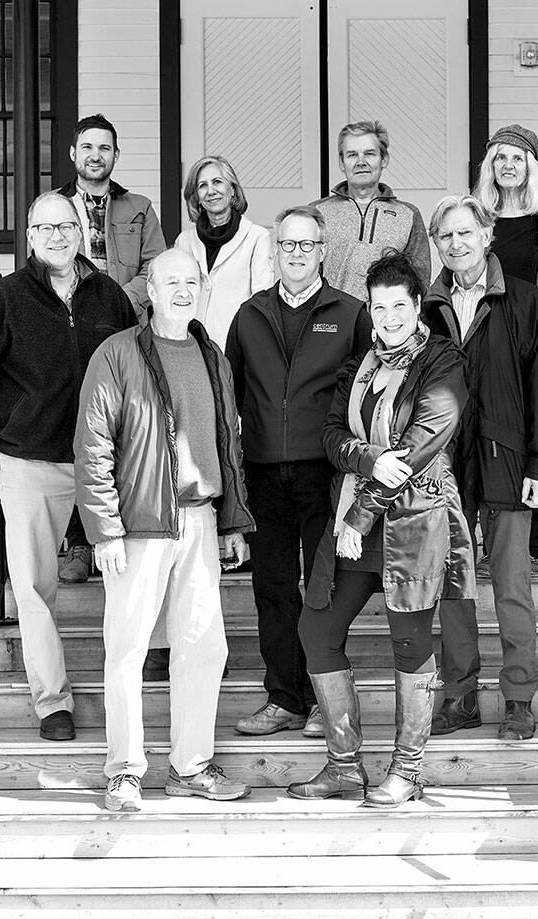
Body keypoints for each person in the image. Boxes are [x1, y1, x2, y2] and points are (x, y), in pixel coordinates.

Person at [0, 192, 136, 742]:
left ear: (82, 229)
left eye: (66, 225)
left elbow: (137, 367)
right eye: (45, 227)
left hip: (105, 461)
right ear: (30, 236)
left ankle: (134, 684)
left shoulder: (110, 297)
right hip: (29, 461)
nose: (57, 236)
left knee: (131, 579)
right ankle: (52, 702)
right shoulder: (5, 298)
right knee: (35, 589)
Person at [288, 249, 473, 808]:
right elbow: (329, 435)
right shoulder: (359, 366)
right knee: (316, 630)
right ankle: (344, 767)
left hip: (414, 519)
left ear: (418, 306)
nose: (389, 316)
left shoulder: (444, 362)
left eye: (399, 305)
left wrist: (363, 510)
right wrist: (366, 460)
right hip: (353, 519)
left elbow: (421, 444)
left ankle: (407, 771)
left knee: (410, 643)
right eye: (379, 306)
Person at [75, 248, 256, 811]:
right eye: (170, 281)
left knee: (203, 646)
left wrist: (231, 521)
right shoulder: (118, 353)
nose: (182, 289)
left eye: (191, 280)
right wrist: (103, 530)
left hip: (200, 520)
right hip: (139, 525)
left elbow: (227, 444)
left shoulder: (212, 355)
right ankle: (125, 772)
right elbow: (93, 443)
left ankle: (190, 766)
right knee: (127, 648)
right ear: (148, 291)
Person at [224, 206, 372, 737]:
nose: (296, 253)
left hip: (325, 473)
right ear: (275, 251)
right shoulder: (249, 315)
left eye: (306, 245)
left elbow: (368, 395)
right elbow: (230, 398)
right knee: (273, 588)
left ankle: (319, 699)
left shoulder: (351, 313)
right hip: (264, 472)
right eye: (287, 244)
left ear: (323, 251)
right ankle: (282, 697)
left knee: (322, 589)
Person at [421, 195, 538, 742]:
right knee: (452, 587)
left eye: (465, 233)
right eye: (445, 237)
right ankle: (459, 696)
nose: (456, 244)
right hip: (443, 466)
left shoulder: (524, 301)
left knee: (511, 586)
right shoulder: (425, 309)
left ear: (487, 236)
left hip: (507, 461)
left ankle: (519, 697)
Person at [56, 113, 167, 584]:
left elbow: (154, 266)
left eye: (105, 148)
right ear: (74, 154)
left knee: (130, 432)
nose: (95, 155)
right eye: (88, 147)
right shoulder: (53, 207)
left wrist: (114, 303)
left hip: (127, 334)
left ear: (115, 156)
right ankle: (81, 543)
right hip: (69, 334)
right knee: (81, 434)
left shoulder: (139, 207)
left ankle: (128, 531)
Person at [472, 123, 538, 579]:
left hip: (534, 348)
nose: (508, 166)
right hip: (485, 346)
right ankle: (483, 543)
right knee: (483, 443)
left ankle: (528, 552)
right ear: (489, 167)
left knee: (534, 442)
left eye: (517, 158)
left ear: (530, 167)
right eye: (500, 158)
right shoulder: (477, 218)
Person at [312, 120, 432, 300]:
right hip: (332, 322)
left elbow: (420, 280)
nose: (361, 162)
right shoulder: (317, 212)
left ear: (384, 159)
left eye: (369, 154)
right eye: (352, 155)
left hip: (387, 322)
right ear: (341, 162)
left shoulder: (408, 215)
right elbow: (304, 273)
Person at [174, 154, 274, 350]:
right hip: (191, 348)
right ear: (197, 198)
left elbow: (261, 301)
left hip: (237, 348)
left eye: (217, 182)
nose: (211, 191)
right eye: (202, 185)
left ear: (233, 190)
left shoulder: (256, 237)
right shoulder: (184, 241)